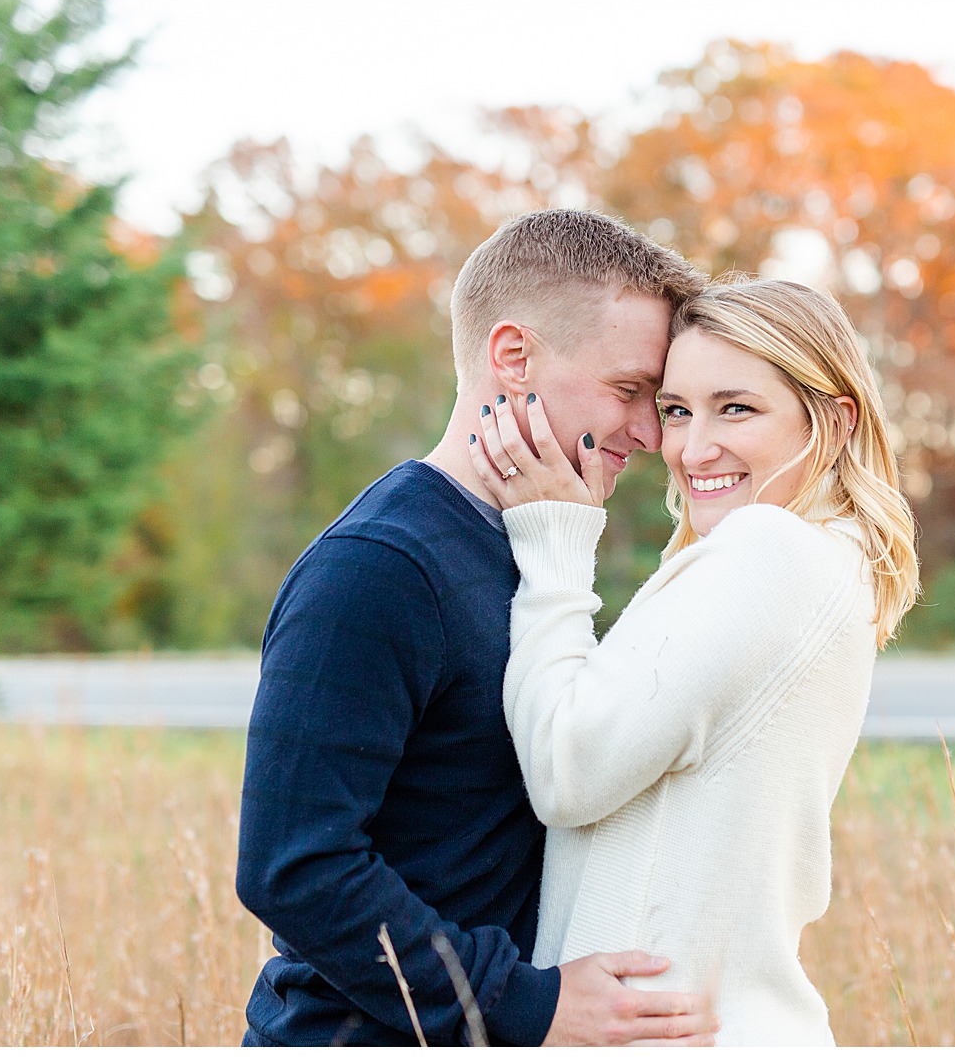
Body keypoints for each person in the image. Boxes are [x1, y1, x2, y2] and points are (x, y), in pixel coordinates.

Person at [234, 209, 721, 1046]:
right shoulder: (379, 565)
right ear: (513, 357)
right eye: (628, 390)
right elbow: (294, 867)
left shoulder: (537, 547)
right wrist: (526, 1002)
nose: (649, 434)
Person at [465, 276, 921, 1045]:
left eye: (736, 408)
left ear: (835, 422)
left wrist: (556, 542)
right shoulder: (824, 564)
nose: (692, 447)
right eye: (676, 410)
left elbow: (566, 765)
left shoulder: (768, 551)